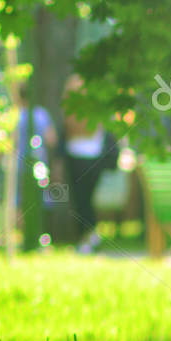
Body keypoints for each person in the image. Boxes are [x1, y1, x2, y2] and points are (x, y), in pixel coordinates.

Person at [61, 76, 117, 254]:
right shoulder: (73, 108)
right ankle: (86, 237)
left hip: (91, 155)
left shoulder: (95, 106)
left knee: (84, 200)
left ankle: (88, 236)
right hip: (78, 154)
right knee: (81, 199)